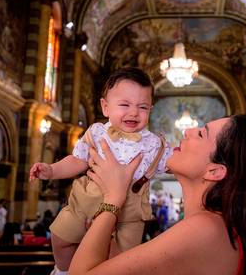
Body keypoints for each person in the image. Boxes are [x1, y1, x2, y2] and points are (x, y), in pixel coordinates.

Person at [69, 115, 246, 275]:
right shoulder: (214, 227)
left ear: (214, 171)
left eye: (201, 133)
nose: (187, 131)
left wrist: (113, 199)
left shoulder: (207, 229)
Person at [29, 67, 172, 274]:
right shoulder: (97, 132)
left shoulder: (155, 144)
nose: (133, 112)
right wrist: (51, 170)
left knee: (118, 261)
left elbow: (173, 164)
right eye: (124, 104)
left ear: (151, 108)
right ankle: (64, 270)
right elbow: (78, 160)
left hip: (128, 215)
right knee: (60, 237)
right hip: (86, 202)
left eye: (143, 107)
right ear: (105, 107)